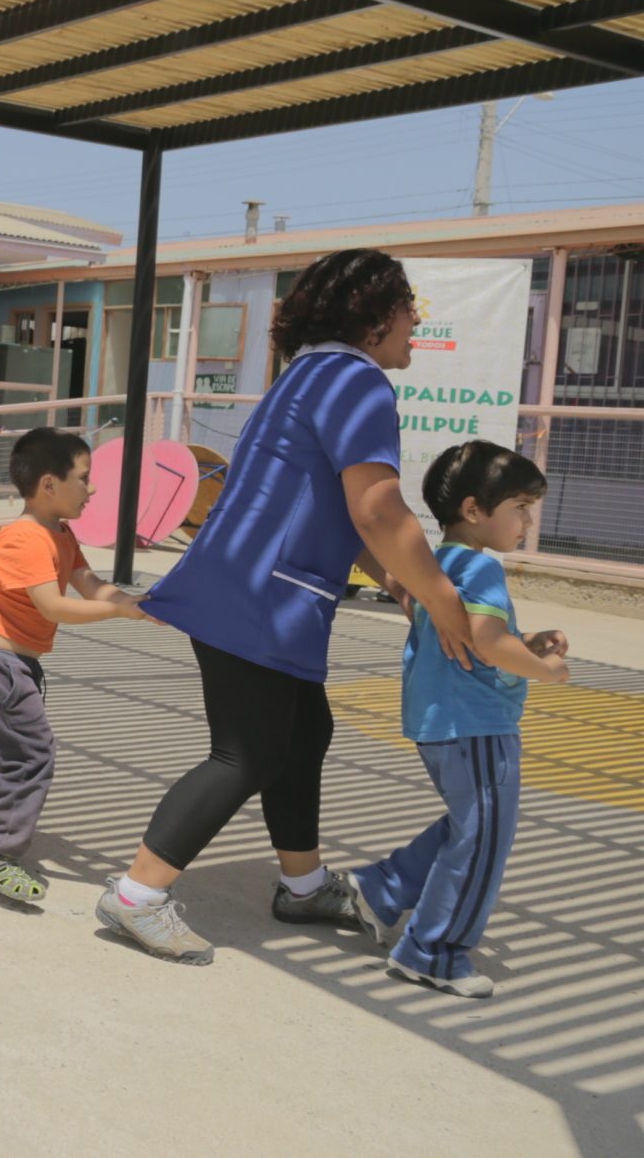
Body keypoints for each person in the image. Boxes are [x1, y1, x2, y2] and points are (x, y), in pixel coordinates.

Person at [96, 248, 480, 965]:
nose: (415, 318)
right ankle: (137, 893)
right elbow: (376, 506)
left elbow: (339, 507)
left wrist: (397, 581)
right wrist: (442, 597)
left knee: (306, 733)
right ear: (372, 318)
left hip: (247, 588)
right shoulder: (359, 382)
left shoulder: (310, 371)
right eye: (405, 305)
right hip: (260, 598)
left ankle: (301, 885)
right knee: (247, 754)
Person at [349, 440, 567, 999]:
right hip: (476, 724)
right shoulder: (481, 567)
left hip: (444, 720)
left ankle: (381, 889)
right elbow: (489, 645)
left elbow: (476, 635)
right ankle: (435, 952)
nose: (526, 521)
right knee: (485, 835)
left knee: (472, 826)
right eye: (520, 508)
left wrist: (526, 641)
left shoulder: (438, 562)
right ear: (474, 511)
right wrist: (545, 668)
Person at [0, 429, 148, 901]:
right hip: (1, 665)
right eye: (84, 478)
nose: (92, 490)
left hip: (9, 664)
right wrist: (119, 610)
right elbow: (53, 606)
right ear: (49, 484)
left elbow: (90, 585)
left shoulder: (60, 534)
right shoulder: (28, 539)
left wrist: (137, 603)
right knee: (33, 756)